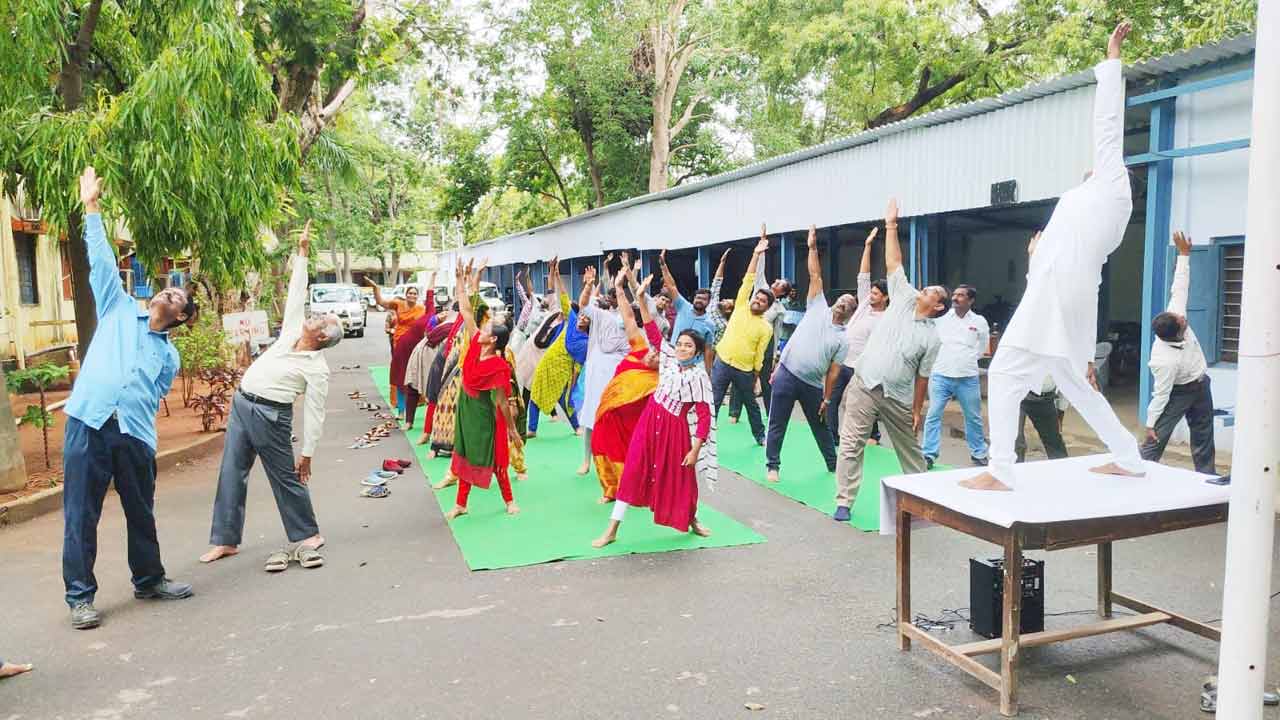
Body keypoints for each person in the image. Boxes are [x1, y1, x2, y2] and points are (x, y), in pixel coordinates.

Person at [965, 22, 1145, 492]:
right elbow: (1076, 252)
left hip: (1061, 289)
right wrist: (1036, 258)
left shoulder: (1111, 182)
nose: (1092, 166)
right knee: (1074, 383)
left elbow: (1107, 124)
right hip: (1073, 290)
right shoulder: (1104, 206)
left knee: (1004, 371)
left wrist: (1112, 61)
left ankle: (1001, 467)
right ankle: (1128, 457)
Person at [62, 167, 197, 630]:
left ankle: (150, 580)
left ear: (181, 317)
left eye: (176, 296)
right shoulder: (117, 309)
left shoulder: (170, 355)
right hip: (88, 424)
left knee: (141, 512)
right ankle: (80, 598)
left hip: (134, 436)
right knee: (81, 515)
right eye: (167, 288)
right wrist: (91, 207)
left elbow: (156, 393)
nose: (167, 292)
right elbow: (101, 261)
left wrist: (134, 420)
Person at [200, 221, 341, 571]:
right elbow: (296, 292)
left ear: (323, 337)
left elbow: (315, 412)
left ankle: (308, 534)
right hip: (242, 404)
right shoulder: (293, 330)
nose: (315, 316)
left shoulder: (317, 369)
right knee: (231, 472)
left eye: (321, 319)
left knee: (285, 476)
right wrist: (303, 253)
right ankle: (225, 540)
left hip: (271, 417)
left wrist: (307, 454)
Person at [833, 198, 948, 522]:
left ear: (938, 306)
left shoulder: (932, 337)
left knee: (910, 451)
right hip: (864, 385)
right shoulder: (903, 296)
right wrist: (891, 226)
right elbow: (894, 261)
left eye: (932, 292)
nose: (925, 290)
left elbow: (923, 377)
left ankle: (925, 501)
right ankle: (844, 501)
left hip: (897, 397)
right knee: (851, 443)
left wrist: (917, 409)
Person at [592, 275, 716, 548]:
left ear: (697, 352)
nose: (682, 348)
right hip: (648, 424)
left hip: (675, 433)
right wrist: (639, 296)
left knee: (682, 480)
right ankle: (611, 530)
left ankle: (693, 520)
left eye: (688, 346)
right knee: (632, 472)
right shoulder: (668, 358)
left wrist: (695, 449)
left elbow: (704, 417)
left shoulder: (699, 378)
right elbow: (650, 329)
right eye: (680, 343)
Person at [765, 225, 856, 482]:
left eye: (848, 304)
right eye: (841, 300)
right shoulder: (818, 306)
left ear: (850, 313)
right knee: (777, 422)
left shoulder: (843, 339)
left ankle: (832, 464)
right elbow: (815, 275)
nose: (843, 303)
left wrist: (827, 398)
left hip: (812, 385)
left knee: (820, 426)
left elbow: (834, 372)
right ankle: (773, 466)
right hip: (787, 373)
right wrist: (812, 247)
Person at [444, 260, 524, 521]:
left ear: (493, 339)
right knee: (465, 454)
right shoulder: (477, 342)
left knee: (496, 459)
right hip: (466, 410)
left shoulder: (499, 367)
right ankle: (461, 504)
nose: (482, 328)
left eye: (487, 329)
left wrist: (512, 431)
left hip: (486, 416)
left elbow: (501, 402)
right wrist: (459, 281)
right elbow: (466, 310)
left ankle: (509, 500)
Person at [1141, 230, 1216, 475]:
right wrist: (1150, 423)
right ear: (1176, 333)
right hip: (1178, 391)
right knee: (1157, 435)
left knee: (1203, 433)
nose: (1184, 318)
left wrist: (1184, 255)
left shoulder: (1175, 315)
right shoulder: (1163, 360)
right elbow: (1161, 394)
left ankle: (1206, 477)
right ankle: (1139, 470)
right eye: (1182, 322)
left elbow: (1180, 288)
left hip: (1201, 384)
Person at [591, 267, 664, 502]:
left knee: (634, 456)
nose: (654, 355)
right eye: (654, 352)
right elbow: (629, 318)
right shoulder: (639, 347)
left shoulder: (659, 378)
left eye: (659, 356)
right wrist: (620, 289)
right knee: (601, 447)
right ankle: (610, 490)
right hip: (611, 415)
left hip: (635, 423)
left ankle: (633, 491)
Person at [710, 229, 774, 445]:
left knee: (751, 404)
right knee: (714, 400)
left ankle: (760, 435)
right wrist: (756, 254)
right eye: (757, 298)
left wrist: (755, 374)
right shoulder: (740, 305)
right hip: (722, 362)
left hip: (745, 370)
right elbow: (749, 280)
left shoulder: (766, 327)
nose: (758, 301)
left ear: (766, 307)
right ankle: (705, 434)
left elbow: (760, 354)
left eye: (763, 301)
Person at [827, 228, 886, 442]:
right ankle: (832, 436)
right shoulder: (863, 305)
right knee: (831, 399)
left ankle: (873, 434)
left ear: (886, 297)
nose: (871, 295)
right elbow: (863, 277)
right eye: (871, 292)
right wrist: (867, 246)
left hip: (861, 366)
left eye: (876, 294)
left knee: (863, 402)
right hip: (842, 361)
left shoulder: (885, 318)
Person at [922, 284, 990, 468]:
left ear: (971, 300)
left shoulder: (979, 321)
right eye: (955, 294)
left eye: (961, 295)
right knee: (933, 415)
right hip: (941, 375)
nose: (955, 298)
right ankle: (928, 454)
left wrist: (969, 358)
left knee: (973, 417)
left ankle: (979, 453)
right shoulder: (942, 318)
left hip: (967, 377)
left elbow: (983, 345)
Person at [576, 260, 631, 476]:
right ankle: (586, 461)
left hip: (619, 376)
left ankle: (619, 461)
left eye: (618, 295)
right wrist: (589, 285)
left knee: (617, 419)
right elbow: (583, 304)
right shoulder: (601, 315)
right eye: (611, 296)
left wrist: (630, 277)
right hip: (597, 372)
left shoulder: (631, 319)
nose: (613, 299)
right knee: (591, 416)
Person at [530, 260, 586, 436]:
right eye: (581, 316)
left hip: (563, 369)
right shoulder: (571, 321)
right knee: (536, 392)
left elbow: (579, 364)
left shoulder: (587, 340)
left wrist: (574, 381)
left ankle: (576, 427)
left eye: (586, 319)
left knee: (564, 398)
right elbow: (563, 296)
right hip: (548, 361)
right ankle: (532, 429)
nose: (582, 319)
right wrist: (556, 274)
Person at [364, 277, 426, 416]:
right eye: (410, 293)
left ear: (417, 296)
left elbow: (428, 324)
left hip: (415, 344)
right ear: (406, 295)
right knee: (400, 376)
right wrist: (375, 288)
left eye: (414, 293)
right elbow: (381, 302)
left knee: (414, 375)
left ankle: (413, 407)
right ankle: (401, 410)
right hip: (400, 342)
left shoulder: (421, 309)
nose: (412, 295)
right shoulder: (398, 304)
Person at [389, 271, 438, 430]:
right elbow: (430, 293)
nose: (445, 313)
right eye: (443, 311)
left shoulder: (443, 328)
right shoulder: (429, 312)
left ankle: (430, 420)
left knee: (419, 382)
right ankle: (404, 415)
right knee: (403, 380)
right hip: (404, 347)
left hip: (420, 353)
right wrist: (432, 277)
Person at [659, 249, 717, 373]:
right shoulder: (683, 306)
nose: (699, 300)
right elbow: (672, 286)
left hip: (694, 364)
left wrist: (708, 373)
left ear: (708, 302)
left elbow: (708, 350)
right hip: (673, 357)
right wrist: (663, 266)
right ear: (693, 298)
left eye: (703, 299)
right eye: (697, 297)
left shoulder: (710, 324)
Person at [1015, 375, 1069, 463]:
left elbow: (1066, 382)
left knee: (1055, 444)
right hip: (1017, 395)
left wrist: (1060, 412)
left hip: (1046, 399)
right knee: (1016, 442)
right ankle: (1014, 470)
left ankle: (1063, 470)